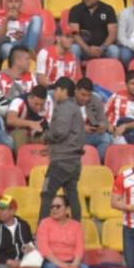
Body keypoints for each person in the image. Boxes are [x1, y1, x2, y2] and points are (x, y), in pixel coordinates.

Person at [39, 78, 85, 220]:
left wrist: (46, 137)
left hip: (62, 160)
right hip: (73, 160)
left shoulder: (64, 107)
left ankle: (42, 230)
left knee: (47, 193)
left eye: (57, 90)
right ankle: (76, 227)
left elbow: (60, 132)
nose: (54, 93)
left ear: (64, 91)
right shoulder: (75, 107)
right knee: (71, 195)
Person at [36, 193, 87, 268]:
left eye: (58, 206)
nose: (54, 209)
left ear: (67, 209)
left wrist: (75, 264)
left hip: (71, 262)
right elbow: (44, 248)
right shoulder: (45, 223)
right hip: (52, 262)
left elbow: (79, 247)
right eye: (52, 207)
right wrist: (62, 265)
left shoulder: (76, 226)